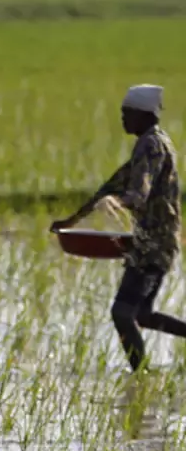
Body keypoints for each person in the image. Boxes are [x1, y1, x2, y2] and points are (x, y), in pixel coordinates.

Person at [52, 84, 184, 372]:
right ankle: (143, 375)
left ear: (143, 114)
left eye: (127, 114)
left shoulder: (150, 145)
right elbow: (111, 185)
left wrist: (119, 203)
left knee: (122, 313)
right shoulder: (151, 142)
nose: (123, 119)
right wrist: (73, 220)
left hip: (154, 244)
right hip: (155, 241)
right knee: (143, 315)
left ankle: (141, 376)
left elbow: (139, 193)